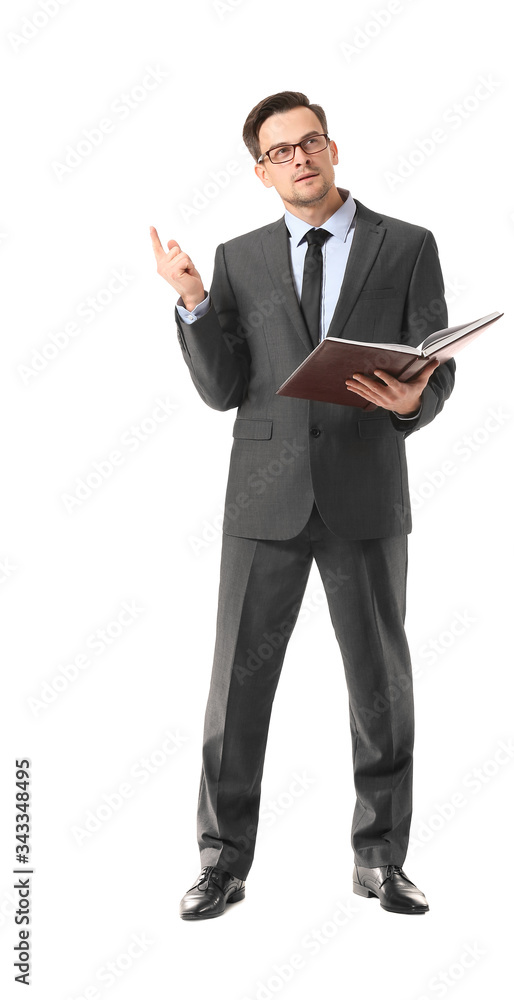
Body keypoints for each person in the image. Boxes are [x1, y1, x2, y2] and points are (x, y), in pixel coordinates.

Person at [150, 90, 456, 919]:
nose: (299, 158)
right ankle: (222, 862)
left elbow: (438, 371)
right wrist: (192, 304)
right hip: (263, 501)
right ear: (262, 171)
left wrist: (405, 404)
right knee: (236, 692)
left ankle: (380, 861)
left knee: (379, 687)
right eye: (280, 150)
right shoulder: (238, 257)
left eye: (310, 141)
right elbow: (222, 390)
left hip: (365, 494)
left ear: (332, 148)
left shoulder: (407, 245)